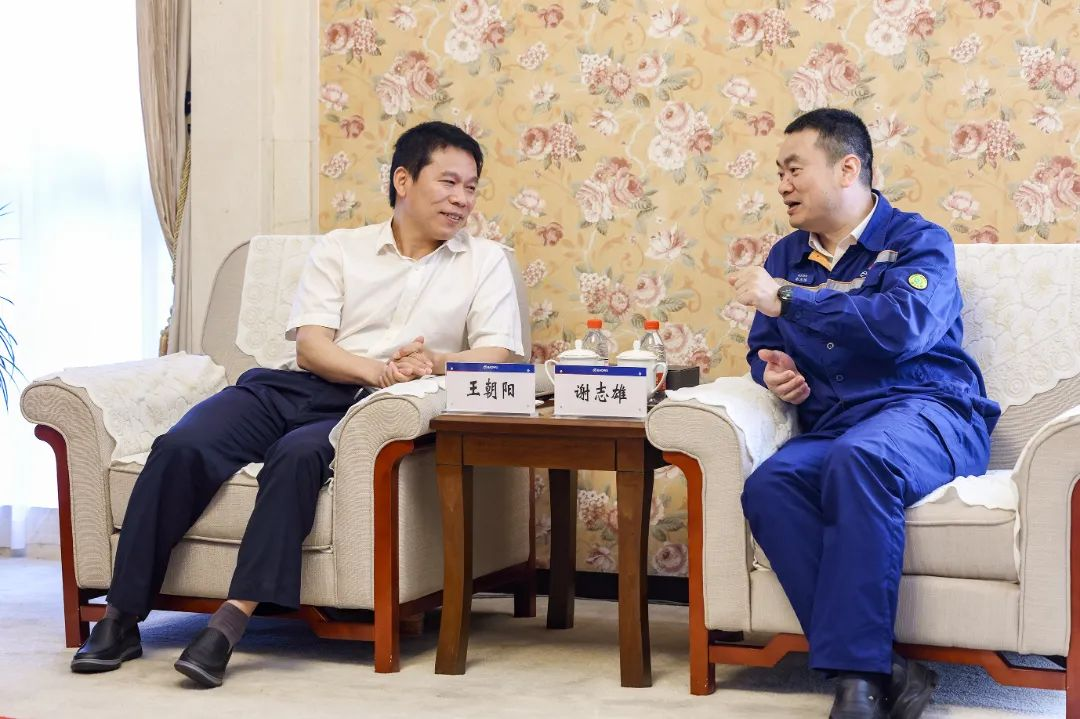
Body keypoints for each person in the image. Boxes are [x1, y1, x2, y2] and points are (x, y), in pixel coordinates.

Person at [70, 121, 523, 688]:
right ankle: (120, 618)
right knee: (182, 445)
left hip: (371, 410)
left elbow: (498, 352)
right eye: (449, 182)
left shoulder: (484, 261)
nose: (462, 199)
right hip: (298, 385)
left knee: (297, 457)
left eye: (471, 187)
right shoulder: (342, 249)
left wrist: (432, 362)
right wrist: (377, 368)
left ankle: (227, 625)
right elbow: (312, 346)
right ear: (403, 180)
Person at [728, 108, 999, 719]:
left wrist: (790, 298)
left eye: (794, 169)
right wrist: (774, 375)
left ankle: (857, 692)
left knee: (860, 459)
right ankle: (882, 671)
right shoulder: (786, 254)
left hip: (932, 413)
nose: (782, 185)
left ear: (847, 168)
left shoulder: (918, 240)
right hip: (840, 427)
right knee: (771, 485)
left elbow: (904, 328)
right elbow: (761, 347)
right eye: (778, 172)